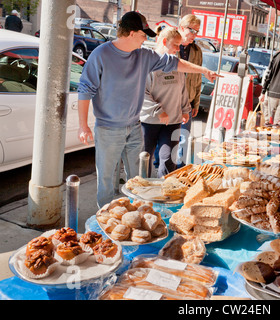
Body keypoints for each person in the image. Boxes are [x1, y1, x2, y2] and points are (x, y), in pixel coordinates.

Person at [77, 11, 219, 208]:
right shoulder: (101, 55)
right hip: (108, 129)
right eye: (144, 35)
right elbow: (85, 90)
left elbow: (175, 64)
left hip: (134, 127)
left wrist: (204, 71)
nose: (146, 40)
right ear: (132, 33)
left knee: (140, 179)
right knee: (107, 181)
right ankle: (106, 224)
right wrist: (83, 126)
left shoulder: (144, 56)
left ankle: (138, 214)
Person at [140, 27, 190, 178]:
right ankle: (143, 193)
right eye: (175, 45)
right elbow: (141, 93)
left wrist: (186, 109)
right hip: (148, 122)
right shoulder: (149, 64)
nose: (177, 49)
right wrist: (158, 111)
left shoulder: (177, 65)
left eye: (179, 45)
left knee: (168, 160)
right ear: (164, 42)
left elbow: (182, 89)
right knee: (144, 160)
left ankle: (164, 194)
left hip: (173, 122)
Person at [176, 14, 203, 168]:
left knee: (184, 140)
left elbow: (198, 78)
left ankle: (179, 172)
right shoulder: (172, 46)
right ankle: (162, 170)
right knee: (167, 140)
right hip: (170, 101)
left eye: (197, 31)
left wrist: (196, 102)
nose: (194, 34)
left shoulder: (197, 50)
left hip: (188, 101)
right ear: (181, 28)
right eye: (191, 30)